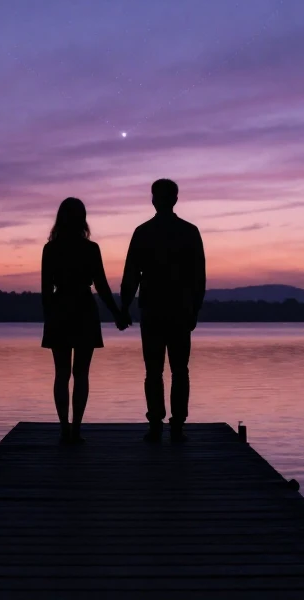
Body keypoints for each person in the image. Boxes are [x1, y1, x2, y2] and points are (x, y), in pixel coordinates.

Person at [120, 179, 205, 443]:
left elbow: (131, 275)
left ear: (154, 200)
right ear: (175, 200)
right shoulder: (189, 232)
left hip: (154, 310)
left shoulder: (143, 232)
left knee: (154, 371)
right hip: (178, 310)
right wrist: (195, 309)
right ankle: (176, 425)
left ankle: (157, 424)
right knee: (179, 370)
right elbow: (199, 278)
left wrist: (124, 307)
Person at [41, 197, 130, 444]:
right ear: (83, 219)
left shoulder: (51, 249)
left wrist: (49, 318)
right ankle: (76, 429)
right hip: (83, 308)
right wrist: (116, 313)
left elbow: (46, 290)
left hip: (60, 309)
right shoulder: (90, 249)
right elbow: (101, 285)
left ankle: (64, 429)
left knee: (61, 373)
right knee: (81, 373)